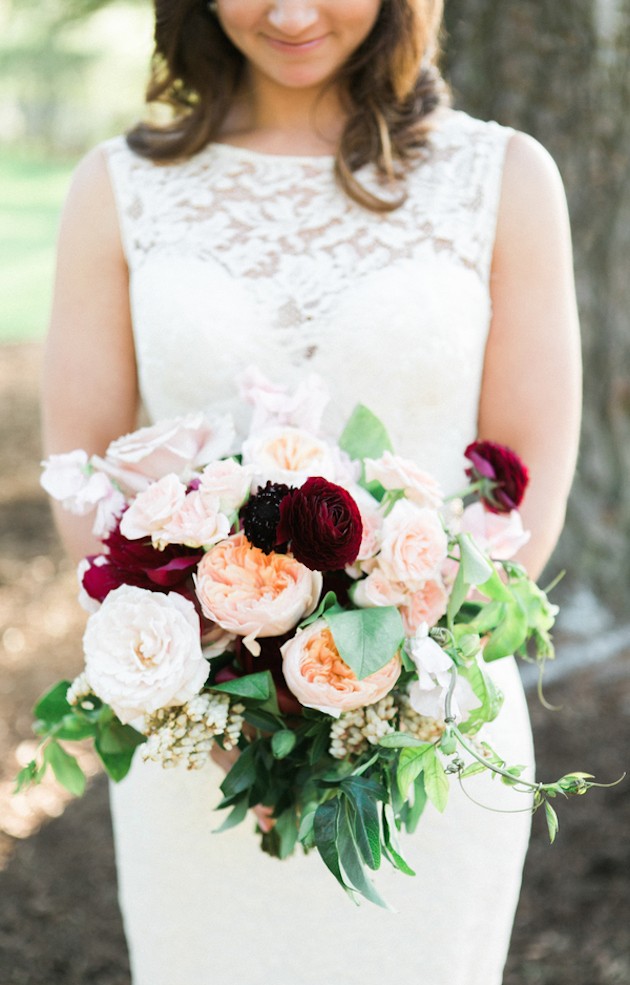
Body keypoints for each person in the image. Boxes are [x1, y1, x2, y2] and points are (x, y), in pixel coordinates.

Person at [42, 1, 582, 983]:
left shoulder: (502, 178)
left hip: (429, 724)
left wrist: (388, 688)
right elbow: (81, 469)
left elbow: (525, 484)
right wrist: (195, 687)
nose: (289, 13)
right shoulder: (117, 186)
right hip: (189, 739)